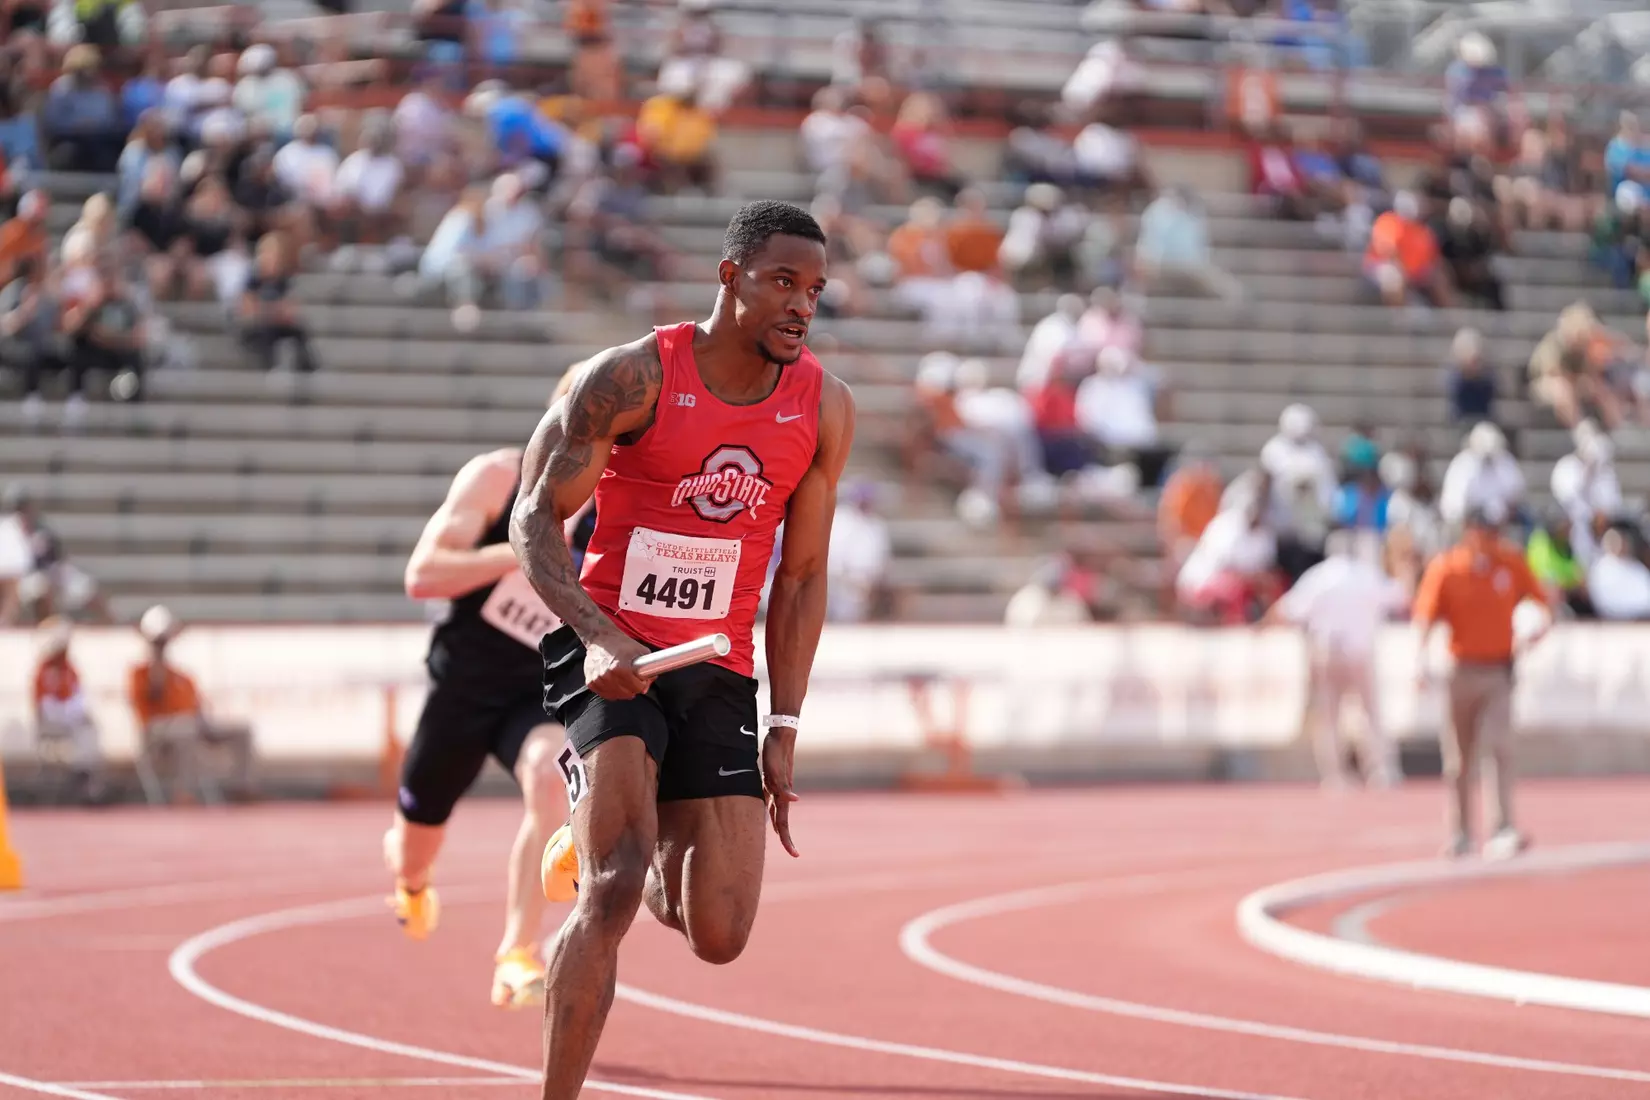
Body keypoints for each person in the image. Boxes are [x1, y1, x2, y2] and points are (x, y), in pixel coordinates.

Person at [507, 200, 854, 1099]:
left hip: (718, 666)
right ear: (729, 275)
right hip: (610, 653)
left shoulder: (822, 407)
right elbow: (533, 521)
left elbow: (804, 574)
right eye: (783, 281)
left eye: (813, 290)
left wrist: (784, 719)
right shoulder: (632, 380)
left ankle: (618, 831)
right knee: (615, 887)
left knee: (721, 932)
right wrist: (594, 636)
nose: (800, 305)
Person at [385, 385, 582, 1009]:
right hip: (465, 686)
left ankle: (517, 952)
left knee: (548, 778)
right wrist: (522, 551)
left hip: (541, 689)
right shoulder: (499, 479)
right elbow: (423, 575)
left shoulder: (625, 505)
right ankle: (412, 885)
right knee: (414, 846)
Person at [1412, 504, 1553, 860]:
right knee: (1459, 758)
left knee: (1499, 747)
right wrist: (1419, 660)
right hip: (1460, 669)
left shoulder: (1510, 562)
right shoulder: (1448, 567)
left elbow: (1542, 601)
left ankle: (1503, 826)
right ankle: (1459, 831)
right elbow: (1426, 615)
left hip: (1498, 671)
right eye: (1484, 530)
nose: (1491, 538)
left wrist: (1538, 631)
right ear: (1469, 530)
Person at [1269, 528, 1407, 790]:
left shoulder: (1319, 577)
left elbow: (1288, 610)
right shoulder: (1365, 575)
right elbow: (1399, 597)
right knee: (1371, 714)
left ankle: (1335, 777)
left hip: (1327, 652)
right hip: (1359, 652)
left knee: (1330, 717)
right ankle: (1380, 771)